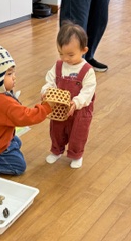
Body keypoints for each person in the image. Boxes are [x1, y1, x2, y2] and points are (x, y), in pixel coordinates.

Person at [0, 38, 53, 175]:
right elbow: (27, 116)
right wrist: (46, 108)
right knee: (19, 166)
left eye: (13, 72)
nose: (14, 77)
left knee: (17, 142)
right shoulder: (4, 102)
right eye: (9, 74)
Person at [41, 21, 96, 169]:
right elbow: (50, 81)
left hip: (79, 111)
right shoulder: (59, 65)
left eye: (70, 55)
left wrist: (76, 102)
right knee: (56, 131)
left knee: (78, 134)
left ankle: (76, 155)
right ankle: (56, 150)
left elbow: (88, 91)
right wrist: (46, 91)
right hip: (59, 109)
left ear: (84, 50)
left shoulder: (87, 70)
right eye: (61, 53)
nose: (65, 58)